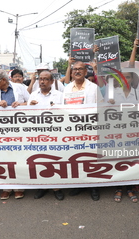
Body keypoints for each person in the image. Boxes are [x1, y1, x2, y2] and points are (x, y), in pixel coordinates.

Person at [63, 61, 103, 200]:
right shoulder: (67, 89)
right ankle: (79, 184)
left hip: (91, 128)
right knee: (77, 157)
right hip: (74, 130)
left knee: (91, 158)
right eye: (74, 69)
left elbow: (101, 107)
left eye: (80, 69)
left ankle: (94, 187)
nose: (77, 71)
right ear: (71, 72)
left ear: (86, 72)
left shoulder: (93, 88)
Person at [0, 69, 29, 200]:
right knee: (4, 157)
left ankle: (19, 187)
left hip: (20, 129)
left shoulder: (20, 88)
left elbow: (31, 103)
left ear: (3, 80)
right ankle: (6, 187)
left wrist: (21, 104)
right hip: (3, 131)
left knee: (19, 157)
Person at [28, 70, 64, 200]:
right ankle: (42, 186)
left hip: (55, 134)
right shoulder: (33, 95)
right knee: (40, 160)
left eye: (45, 79)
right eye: (40, 79)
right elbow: (25, 117)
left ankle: (57, 188)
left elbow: (66, 114)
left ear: (51, 81)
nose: (42, 81)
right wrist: (29, 107)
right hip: (38, 135)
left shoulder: (59, 95)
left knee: (55, 160)